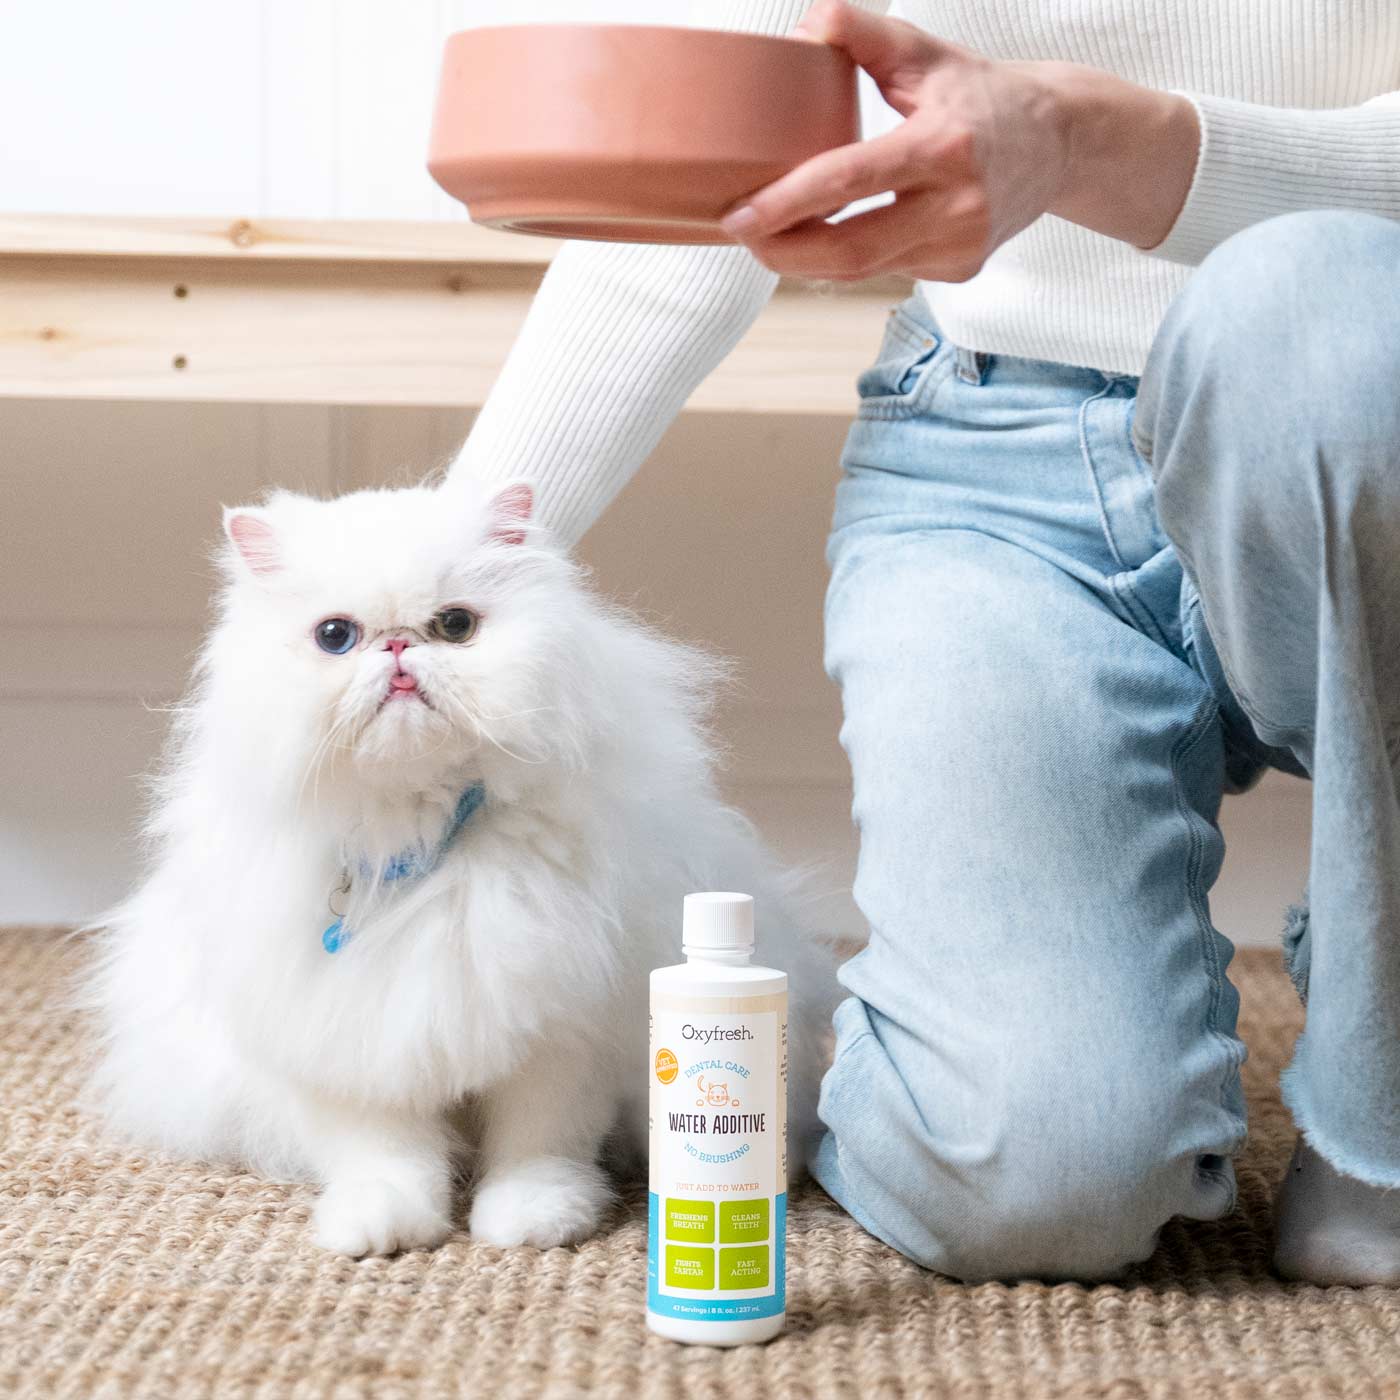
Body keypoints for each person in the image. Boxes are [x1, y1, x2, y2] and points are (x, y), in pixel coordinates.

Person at [449, 0, 1400, 1283]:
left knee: (1308, 302)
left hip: (1354, 395)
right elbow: (704, 195)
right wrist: (432, 582)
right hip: (991, 454)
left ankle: (1379, 1067)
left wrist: (1095, 147)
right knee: (1031, 1178)